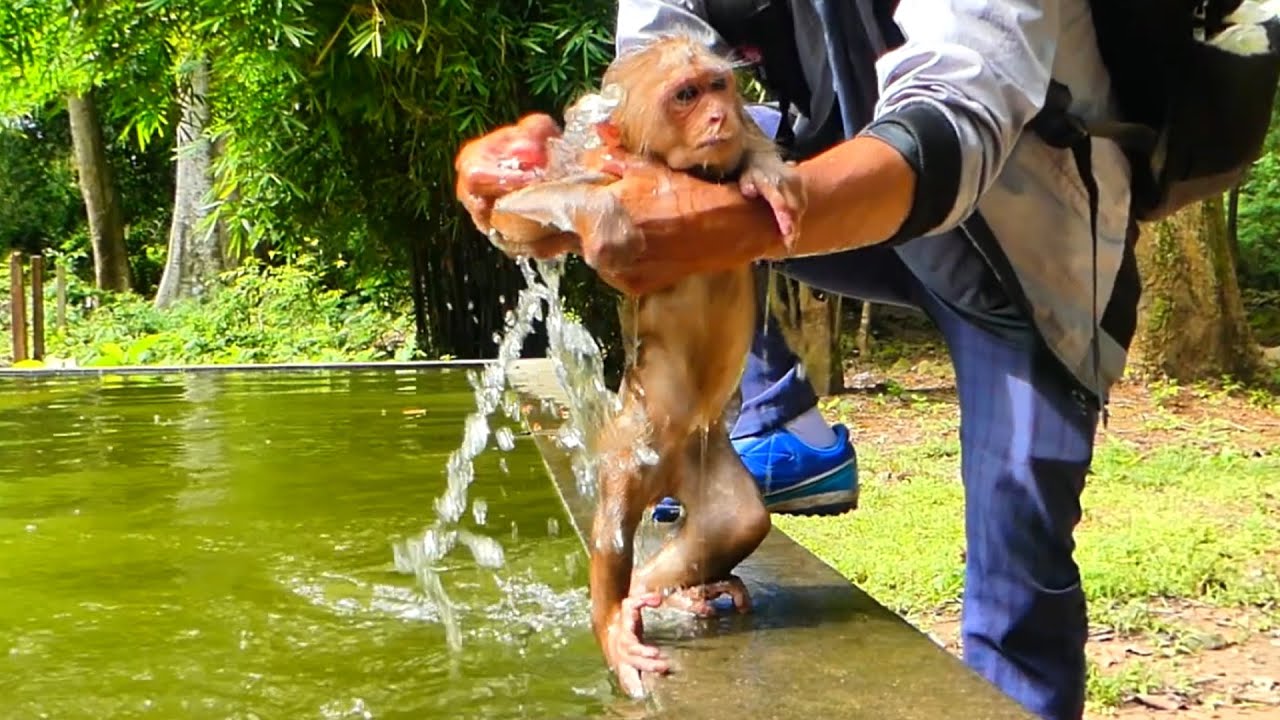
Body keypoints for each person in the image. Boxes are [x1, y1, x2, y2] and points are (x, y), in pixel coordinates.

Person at [454, 0, 1144, 717]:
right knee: (686, 257)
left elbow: (957, 111)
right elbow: (656, 63)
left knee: (1018, 545)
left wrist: (747, 198)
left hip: (1020, 216)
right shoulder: (706, 116)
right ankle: (765, 434)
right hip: (812, 180)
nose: (711, 105)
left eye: (715, 93)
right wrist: (544, 172)